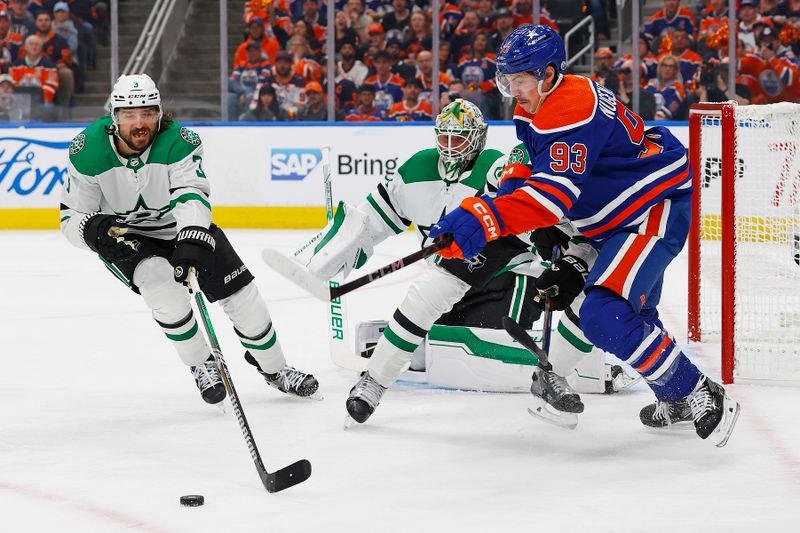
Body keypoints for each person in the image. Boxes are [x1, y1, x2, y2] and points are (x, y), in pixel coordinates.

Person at [429, 25, 741, 447]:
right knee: (634, 315)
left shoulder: (572, 106)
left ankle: (698, 389)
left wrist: (482, 218)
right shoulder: (537, 104)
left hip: (652, 207)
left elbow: (552, 197)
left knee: (602, 314)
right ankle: (676, 398)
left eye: (517, 79)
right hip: (613, 218)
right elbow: (526, 171)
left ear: (548, 73)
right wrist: (493, 214)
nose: (511, 90)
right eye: (507, 80)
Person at [300, 99, 628, 425]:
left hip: (510, 275)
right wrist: (351, 239)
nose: (450, 145)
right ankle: (380, 375)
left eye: (459, 138)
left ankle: (566, 369)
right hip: (473, 258)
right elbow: (377, 217)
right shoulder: (424, 168)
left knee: (486, 335)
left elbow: (565, 219)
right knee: (433, 312)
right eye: (445, 137)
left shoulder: (508, 165)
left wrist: (574, 252)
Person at [59, 74, 319, 406]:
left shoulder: (179, 141)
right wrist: (92, 231)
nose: (140, 123)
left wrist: (192, 238)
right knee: (160, 287)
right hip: (127, 237)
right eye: (129, 115)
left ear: (159, 112)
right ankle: (201, 362)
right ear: (114, 117)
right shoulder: (88, 150)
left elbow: (190, 194)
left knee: (243, 297)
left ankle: (276, 369)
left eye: (148, 113)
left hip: (181, 228)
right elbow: (71, 217)